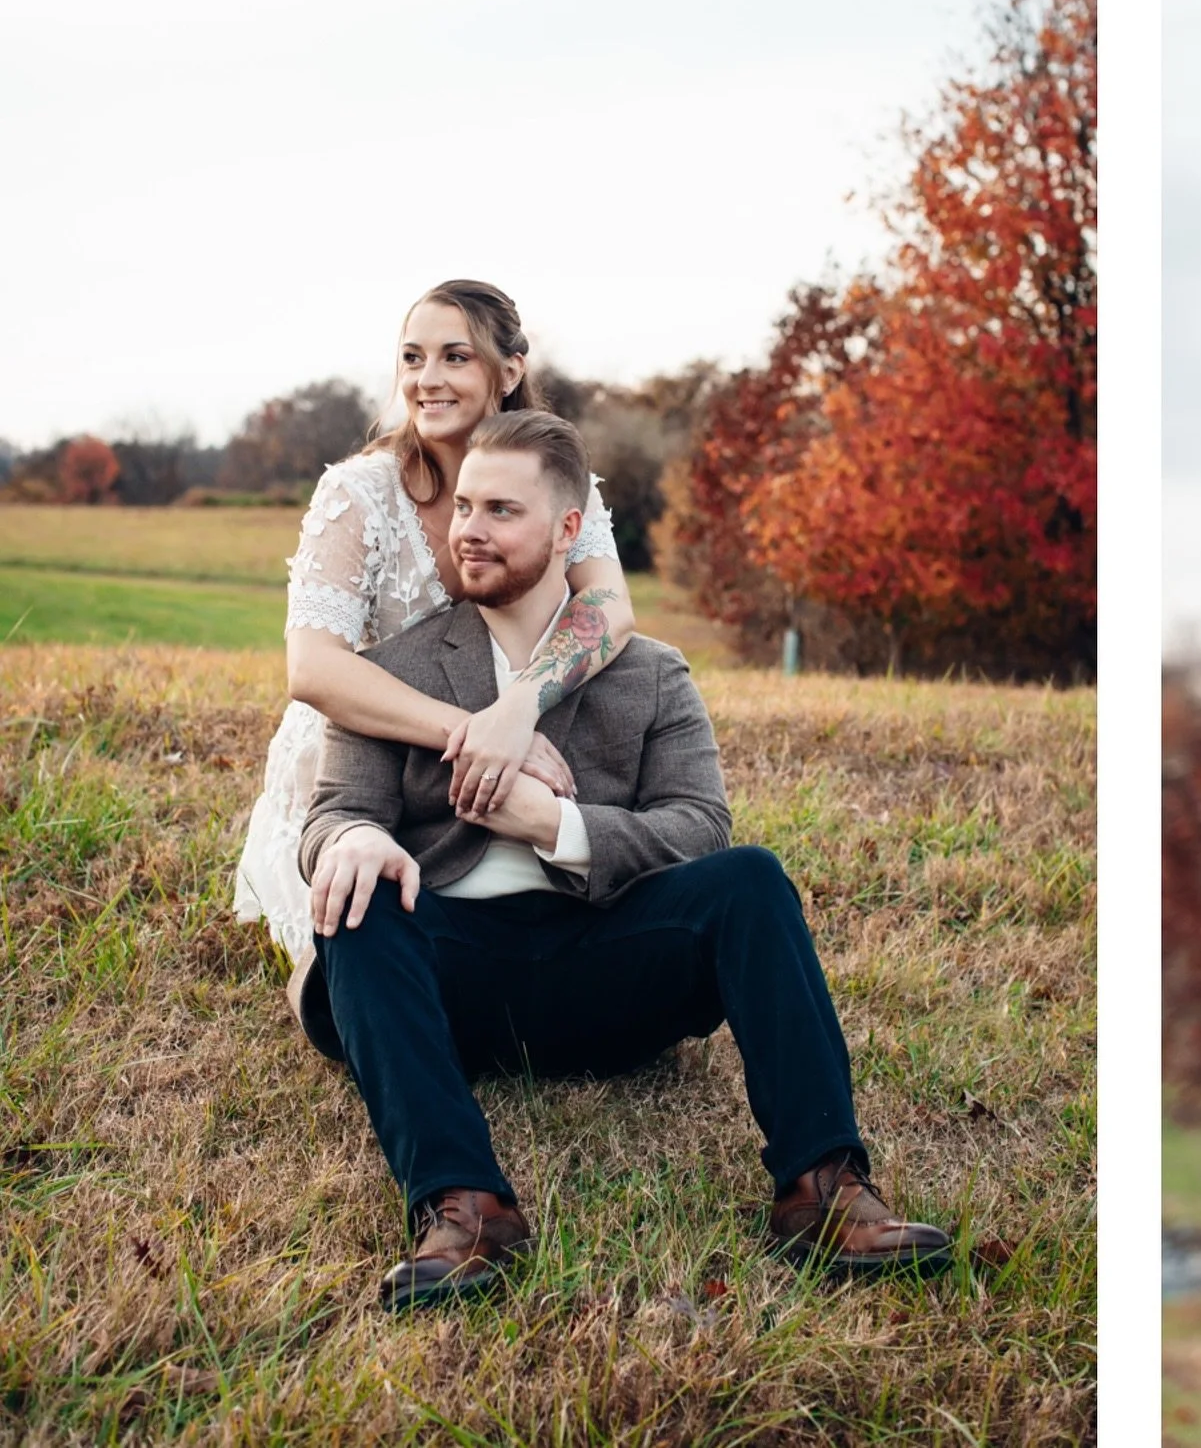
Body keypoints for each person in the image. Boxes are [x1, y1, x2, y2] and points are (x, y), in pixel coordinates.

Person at [295, 409, 953, 1310]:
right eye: (465, 508)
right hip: (451, 984)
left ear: (570, 531)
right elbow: (334, 813)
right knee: (360, 903)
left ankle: (823, 1190)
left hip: (605, 966)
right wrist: (355, 837)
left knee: (751, 877)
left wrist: (554, 824)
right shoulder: (396, 668)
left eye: (501, 510)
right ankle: (467, 1211)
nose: (470, 529)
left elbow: (699, 825)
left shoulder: (651, 672)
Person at [231, 279, 635, 1012]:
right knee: (383, 953)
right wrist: (474, 729)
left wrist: (518, 708)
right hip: (370, 756)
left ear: (508, 371)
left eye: (456, 356)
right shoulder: (359, 493)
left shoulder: (555, 477)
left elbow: (607, 609)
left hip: (508, 748)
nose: (428, 378)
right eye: (413, 356)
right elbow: (313, 666)